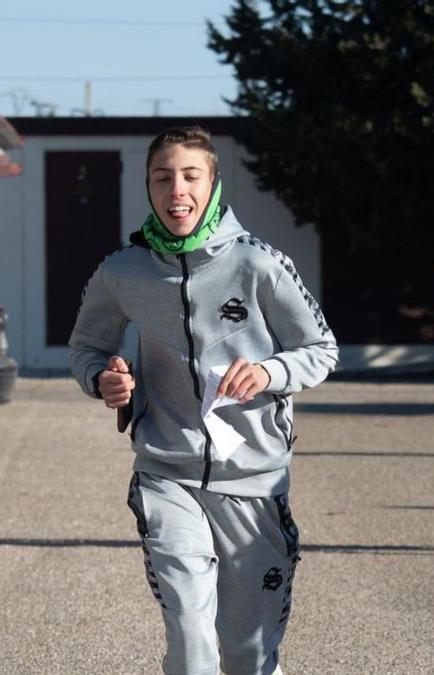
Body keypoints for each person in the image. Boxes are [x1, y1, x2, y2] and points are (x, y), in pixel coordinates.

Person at [69, 126, 338, 675]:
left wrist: (269, 371)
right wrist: (103, 379)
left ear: (213, 183)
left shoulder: (259, 263)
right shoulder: (123, 271)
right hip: (167, 474)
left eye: (191, 176)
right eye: (162, 178)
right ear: (148, 186)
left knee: (247, 654)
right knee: (191, 642)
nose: (177, 191)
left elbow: (321, 349)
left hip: (255, 482)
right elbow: (87, 348)